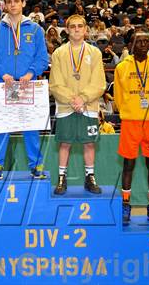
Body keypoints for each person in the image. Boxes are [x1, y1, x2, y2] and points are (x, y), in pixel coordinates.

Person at [0, 0, 49, 180]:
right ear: (4, 5)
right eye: (9, 1)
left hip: (27, 85)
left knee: (31, 126)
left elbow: (42, 58)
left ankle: (36, 165)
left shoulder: (36, 29)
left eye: (16, 1)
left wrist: (31, 73)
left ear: (23, 4)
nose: (12, 4)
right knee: (2, 127)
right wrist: (1, 74)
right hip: (4, 85)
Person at [114, 29, 149, 226]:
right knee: (128, 165)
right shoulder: (121, 68)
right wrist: (128, 111)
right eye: (140, 41)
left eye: (147, 41)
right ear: (131, 45)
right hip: (130, 122)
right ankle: (125, 205)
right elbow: (118, 97)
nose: (144, 45)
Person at [49, 14, 106, 195]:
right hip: (66, 106)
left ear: (85, 29)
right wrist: (73, 100)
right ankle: (61, 178)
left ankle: (90, 177)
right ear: (67, 30)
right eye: (72, 26)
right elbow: (55, 83)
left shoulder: (95, 52)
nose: (76, 29)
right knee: (65, 143)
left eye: (79, 26)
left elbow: (99, 82)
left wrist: (83, 98)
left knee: (89, 143)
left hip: (88, 106)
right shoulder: (59, 53)